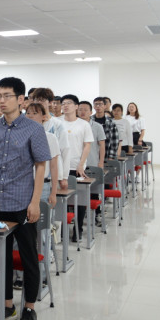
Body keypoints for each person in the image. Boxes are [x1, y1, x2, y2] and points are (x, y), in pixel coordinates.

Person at [0, 77, 50, 320]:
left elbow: (40, 166)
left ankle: (29, 307)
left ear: (21, 99)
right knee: (2, 257)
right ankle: (7, 305)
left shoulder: (33, 129)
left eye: (7, 95)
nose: (1, 100)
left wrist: (35, 202)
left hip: (22, 203)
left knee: (28, 257)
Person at [60, 94, 93, 241]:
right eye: (63, 103)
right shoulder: (57, 122)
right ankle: (61, 232)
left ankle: (77, 230)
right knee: (61, 201)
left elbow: (87, 145)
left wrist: (81, 164)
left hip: (76, 167)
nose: (65, 106)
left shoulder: (83, 124)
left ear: (76, 106)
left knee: (79, 202)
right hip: (60, 167)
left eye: (68, 103)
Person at [25, 103, 59, 207]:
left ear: (44, 117)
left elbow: (54, 166)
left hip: (43, 185)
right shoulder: (20, 136)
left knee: (40, 215)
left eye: (35, 113)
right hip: (22, 185)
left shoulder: (50, 138)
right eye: (28, 113)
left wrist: (53, 192)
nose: (30, 116)